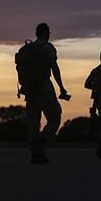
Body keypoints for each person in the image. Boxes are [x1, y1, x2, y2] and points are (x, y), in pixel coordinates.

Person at [16, 23, 69, 165]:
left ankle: (36, 152)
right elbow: (55, 69)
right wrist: (62, 88)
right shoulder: (48, 48)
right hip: (44, 87)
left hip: (29, 89)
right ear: (47, 33)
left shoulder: (26, 49)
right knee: (55, 116)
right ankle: (41, 143)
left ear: (36, 33)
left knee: (33, 122)